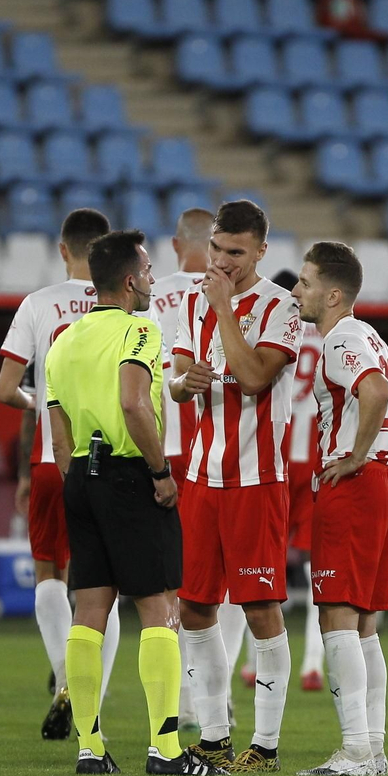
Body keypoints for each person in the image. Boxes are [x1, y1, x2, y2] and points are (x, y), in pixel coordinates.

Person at [46, 228, 226, 776]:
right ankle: (166, 749)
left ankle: (90, 748)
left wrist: (84, 484)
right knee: (161, 608)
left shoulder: (64, 340)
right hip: (130, 476)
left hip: (79, 477)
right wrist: (158, 472)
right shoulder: (140, 329)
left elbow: (57, 438)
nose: (152, 280)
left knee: (89, 612)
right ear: (129, 282)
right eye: (147, 272)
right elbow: (132, 402)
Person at [170, 199, 302, 773]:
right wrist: (182, 382)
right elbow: (175, 381)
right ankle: (216, 736)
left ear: (261, 252)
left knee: (260, 611)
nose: (221, 262)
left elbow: (252, 377)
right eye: (218, 248)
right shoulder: (190, 302)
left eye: (236, 253)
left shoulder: (280, 307)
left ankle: (266, 747)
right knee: (195, 608)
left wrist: (225, 308)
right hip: (201, 476)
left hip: (257, 480)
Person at [292, 242, 388, 776]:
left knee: (337, 618)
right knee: (365, 625)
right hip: (380, 484)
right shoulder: (369, 334)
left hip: (353, 487)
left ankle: (355, 752)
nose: (297, 292)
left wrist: (355, 456)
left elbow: (374, 393)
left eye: (304, 283)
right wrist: (384, 457)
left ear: (332, 294)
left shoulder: (342, 338)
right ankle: (372, 749)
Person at [0, 209, 122, 742]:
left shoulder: (39, 303)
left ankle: (65, 681)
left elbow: (5, 389)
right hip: (116, 457)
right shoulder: (128, 300)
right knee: (105, 585)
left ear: (63, 249)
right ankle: (91, 701)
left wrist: (40, 404)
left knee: (50, 574)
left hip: (54, 457)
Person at [155, 209, 248, 730]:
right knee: (233, 583)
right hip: (223, 450)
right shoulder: (242, 298)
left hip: (164, 453)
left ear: (176, 244)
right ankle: (219, 690)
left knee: (176, 585)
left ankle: (188, 699)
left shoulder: (153, 296)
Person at [279, 267, 326, 691]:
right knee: (317, 571)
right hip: (315, 463)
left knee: (257, 567)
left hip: (272, 462)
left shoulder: (265, 333)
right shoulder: (327, 336)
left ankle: (258, 665)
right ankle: (312, 664)